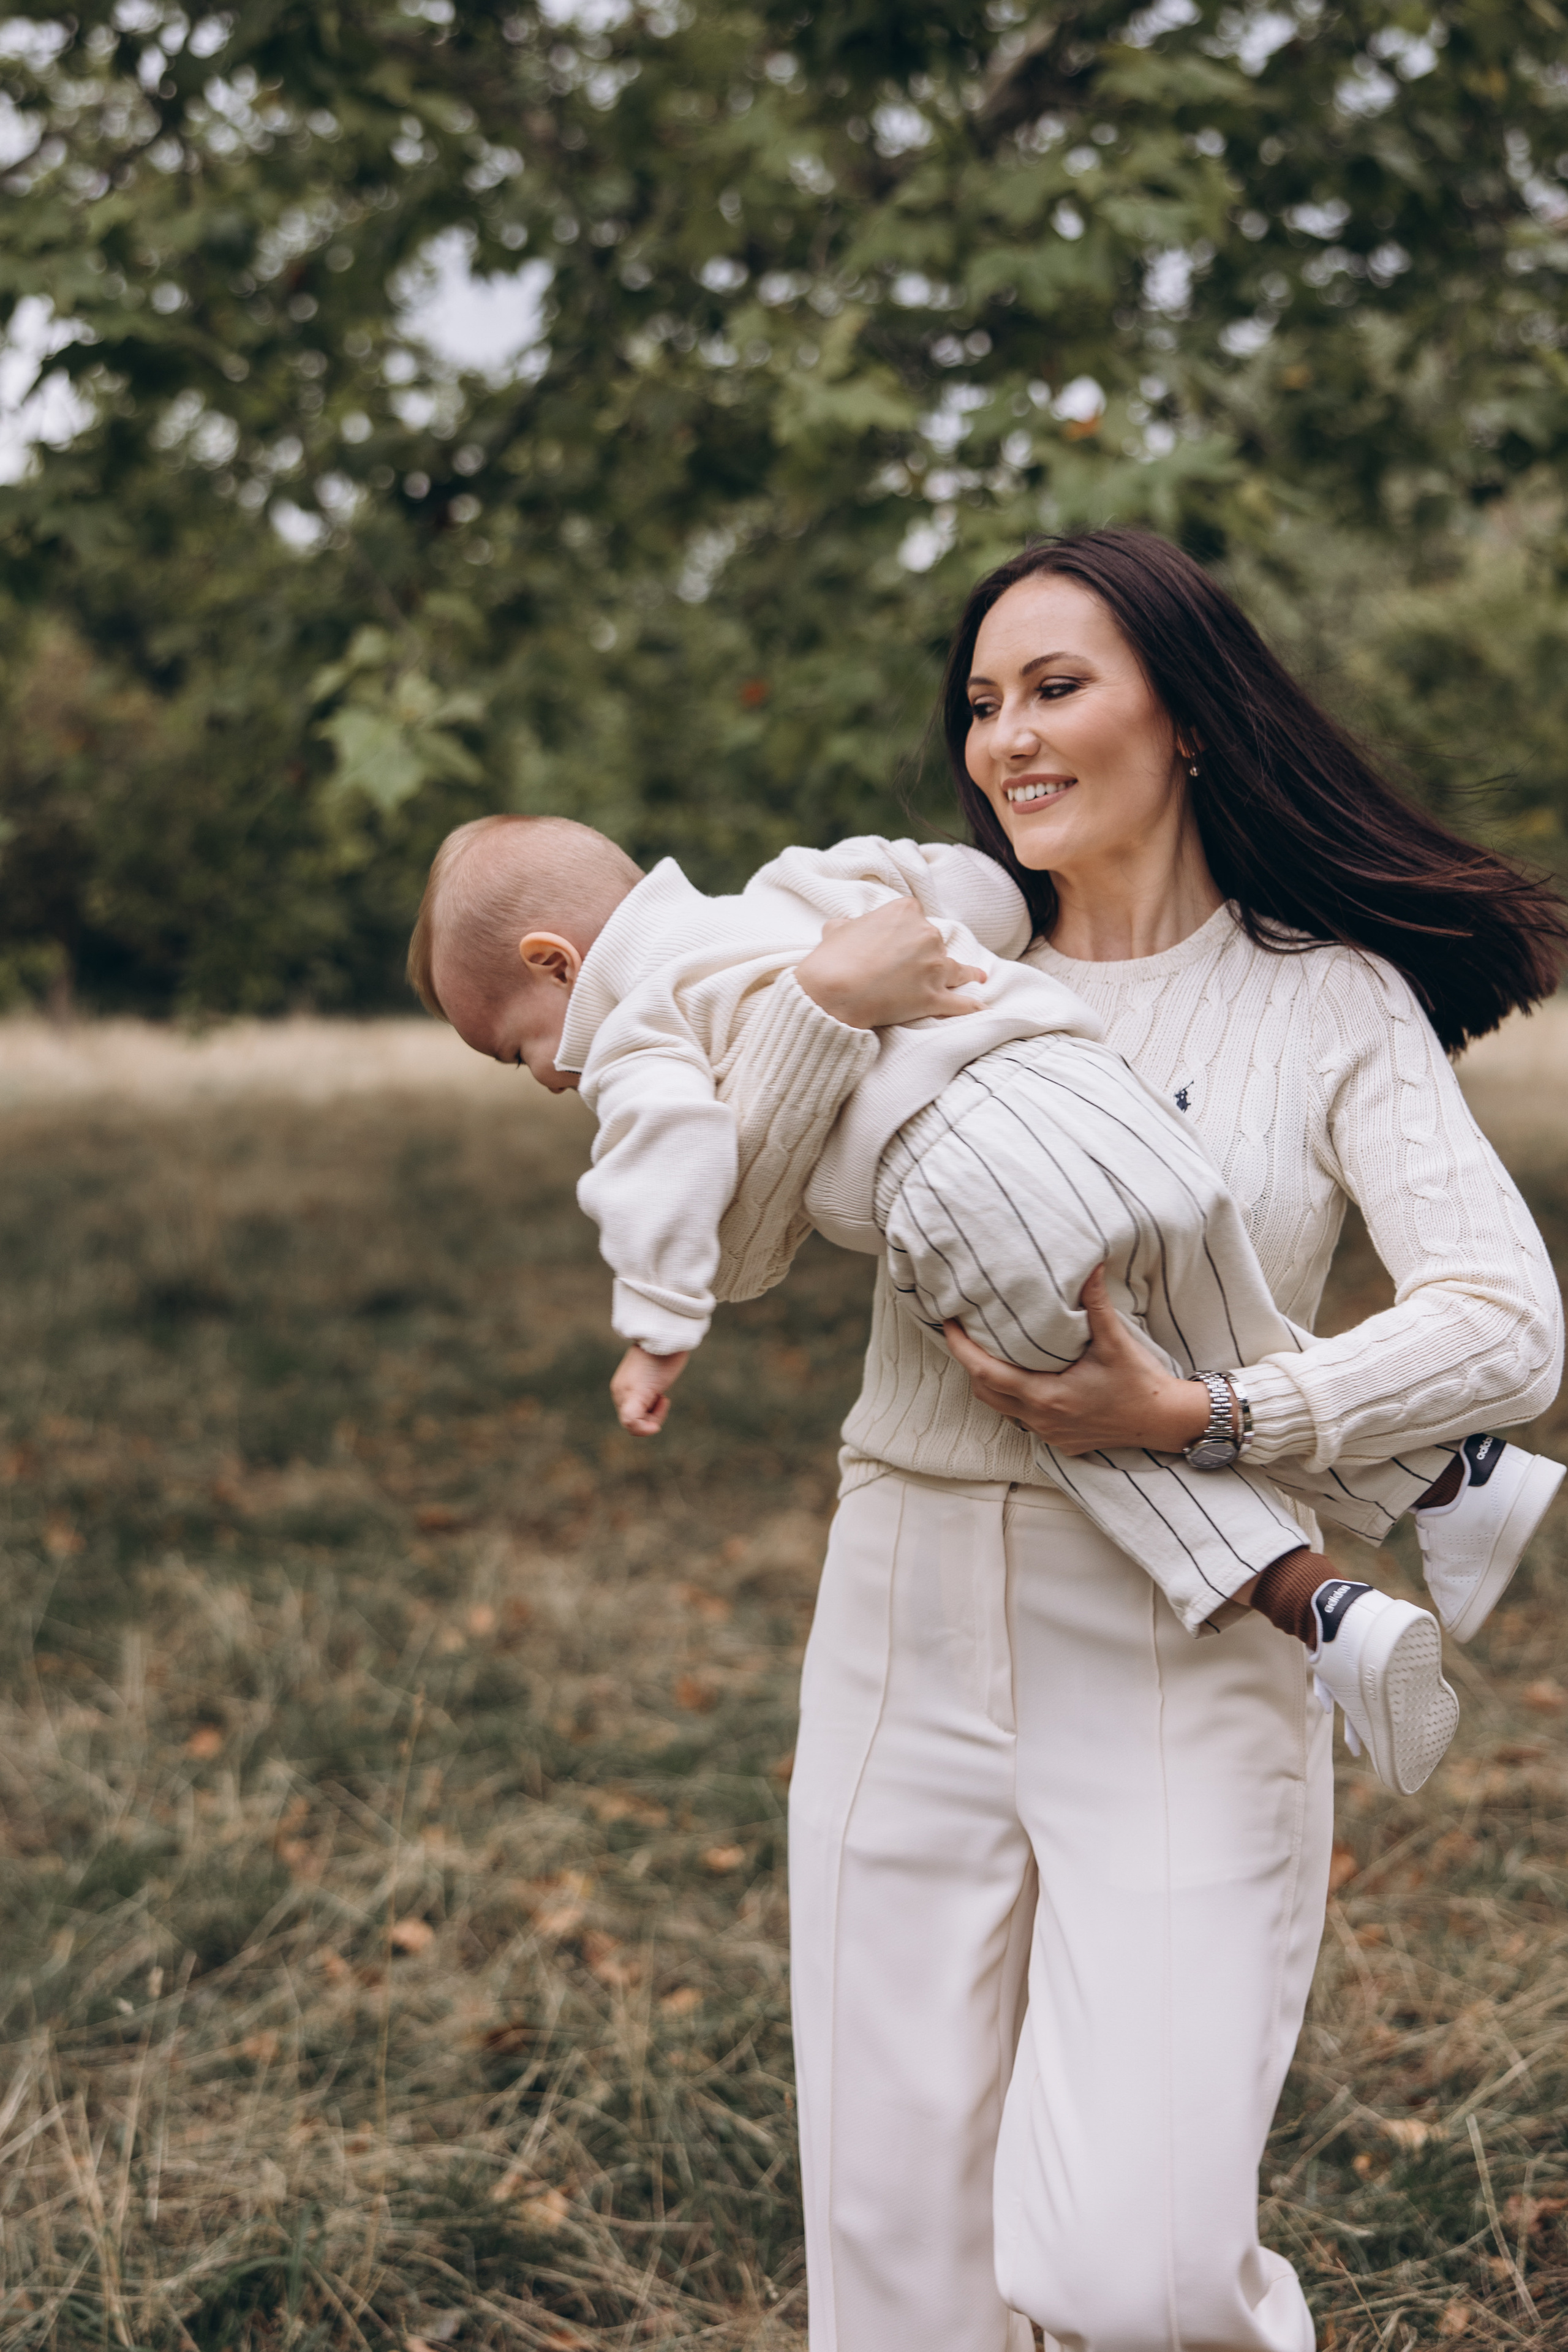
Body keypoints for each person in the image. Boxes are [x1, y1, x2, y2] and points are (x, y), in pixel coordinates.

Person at [639, 529, 1561, 2352]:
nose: (1005, 739)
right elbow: (728, 1252)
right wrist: (828, 1006)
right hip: (902, 1615)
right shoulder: (938, 960)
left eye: (1054, 687)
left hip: (1183, 1637)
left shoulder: (1328, 1001)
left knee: (1135, 2271)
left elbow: (1510, 1324)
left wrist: (1219, 1414)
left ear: (1190, 717)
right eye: (982, 704)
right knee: (898, 2259)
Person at [407, 808, 1558, 1800]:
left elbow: (675, 1167)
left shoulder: (640, 1018)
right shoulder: (798, 889)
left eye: (515, 1049)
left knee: (1066, 1398)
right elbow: (971, 891)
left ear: (557, 962)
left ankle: (1323, 1609)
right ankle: (1455, 1478)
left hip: (965, 1181)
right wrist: (870, 974)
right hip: (1084, 1091)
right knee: (1192, 1323)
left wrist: (657, 1326)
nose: (547, 1076)